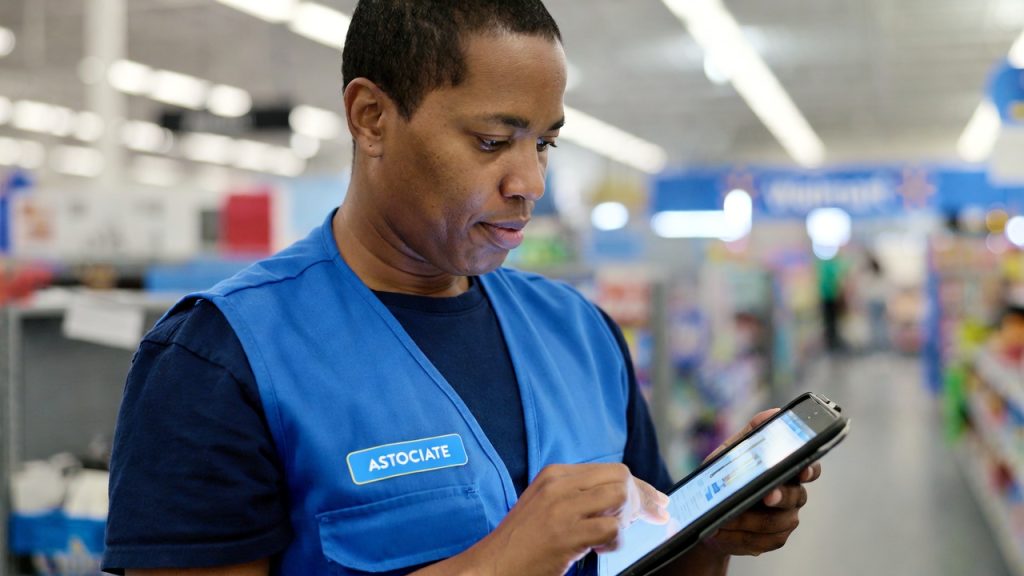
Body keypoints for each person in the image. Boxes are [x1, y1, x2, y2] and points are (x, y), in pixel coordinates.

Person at [102, 2, 821, 575]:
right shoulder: (219, 363)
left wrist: (711, 535)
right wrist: (502, 562)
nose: (529, 184)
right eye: (490, 141)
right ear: (371, 118)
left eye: (543, 142)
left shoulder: (579, 333)